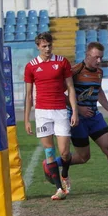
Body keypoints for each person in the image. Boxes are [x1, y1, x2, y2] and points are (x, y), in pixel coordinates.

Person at [51, 42, 108, 194]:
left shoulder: (99, 72)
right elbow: (59, 94)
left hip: (95, 117)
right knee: (83, 157)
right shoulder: (74, 71)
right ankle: (51, 164)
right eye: (96, 57)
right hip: (77, 119)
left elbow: (99, 91)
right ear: (88, 55)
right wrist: (79, 109)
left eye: (101, 57)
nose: (99, 61)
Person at [24, 32, 78, 200]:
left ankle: (65, 174)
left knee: (64, 153)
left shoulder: (62, 62)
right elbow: (28, 95)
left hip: (60, 111)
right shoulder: (31, 66)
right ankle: (58, 189)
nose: (47, 49)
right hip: (42, 112)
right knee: (49, 151)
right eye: (44, 46)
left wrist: (74, 111)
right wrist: (26, 119)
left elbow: (70, 88)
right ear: (38, 47)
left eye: (49, 45)